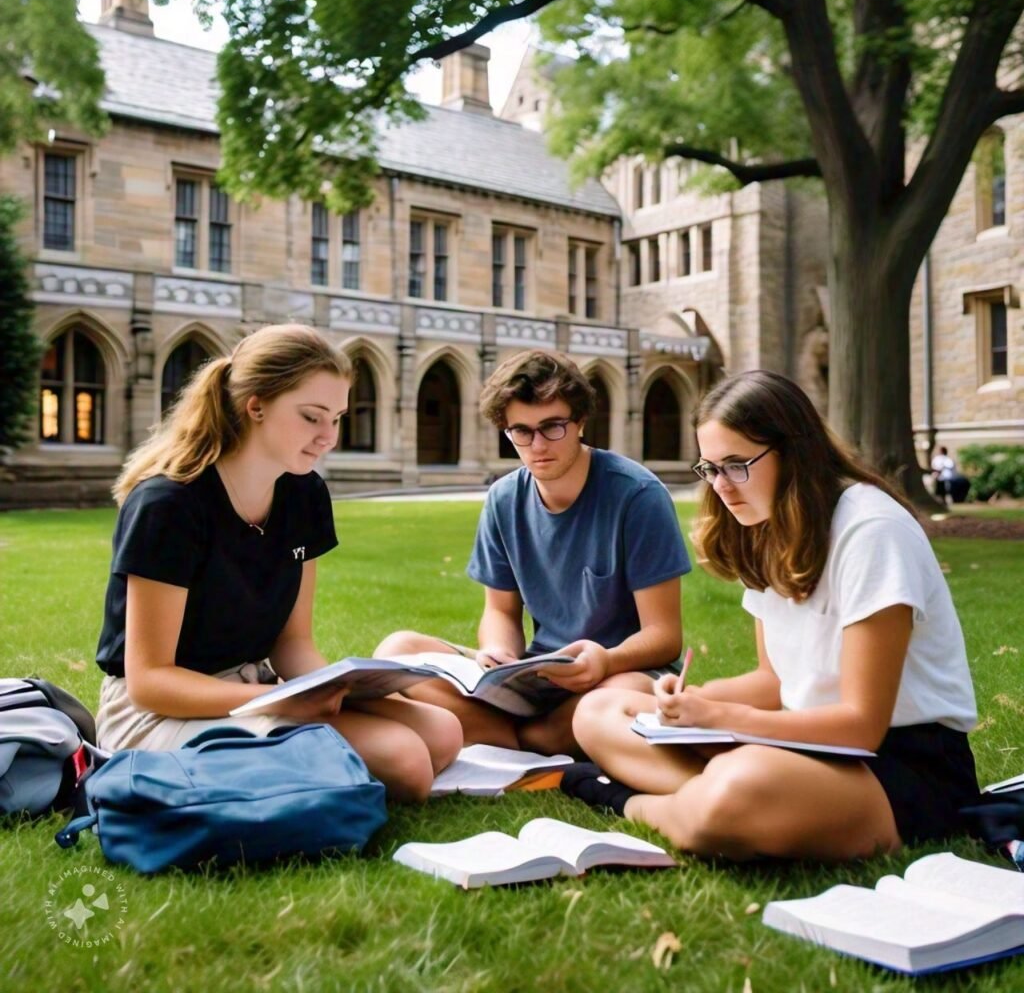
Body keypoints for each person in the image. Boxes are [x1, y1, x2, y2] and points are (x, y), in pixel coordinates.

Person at [563, 370, 979, 860]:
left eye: (737, 465)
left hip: (897, 763)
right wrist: (688, 704)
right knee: (599, 711)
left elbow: (863, 725)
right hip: (803, 747)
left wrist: (720, 717)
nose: (721, 486)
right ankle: (715, 796)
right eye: (709, 468)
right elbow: (773, 681)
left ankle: (632, 801)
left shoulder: (871, 530)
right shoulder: (766, 526)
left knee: (737, 791)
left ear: (794, 452)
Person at [94, 324, 461, 802]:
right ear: (256, 406)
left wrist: (331, 689)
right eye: (312, 417)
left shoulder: (303, 493)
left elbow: (293, 643)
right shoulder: (169, 504)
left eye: (338, 418)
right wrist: (279, 701)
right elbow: (150, 681)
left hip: (258, 686)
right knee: (405, 763)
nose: (328, 437)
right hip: (160, 711)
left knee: (442, 732)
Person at [373, 350, 691, 755]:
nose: (537, 445)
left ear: (580, 421)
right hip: (539, 674)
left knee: (617, 697)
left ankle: (509, 737)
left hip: (618, 672)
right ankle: (533, 737)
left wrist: (606, 662)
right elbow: (501, 612)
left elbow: (664, 637)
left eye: (552, 427)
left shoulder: (638, 496)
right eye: (521, 432)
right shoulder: (504, 498)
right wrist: (499, 652)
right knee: (398, 651)